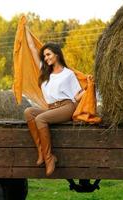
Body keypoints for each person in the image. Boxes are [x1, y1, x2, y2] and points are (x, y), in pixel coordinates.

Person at [24, 26, 85, 176]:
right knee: (29, 112)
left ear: (57, 54)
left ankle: (50, 157)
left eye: (48, 54)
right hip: (51, 108)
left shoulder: (68, 74)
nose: (46, 58)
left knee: (41, 119)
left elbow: (76, 96)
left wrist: (88, 90)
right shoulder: (45, 73)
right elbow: (32, 48)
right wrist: (25, 27)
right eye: (44, 56)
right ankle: (41, 151)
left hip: (67, 107)